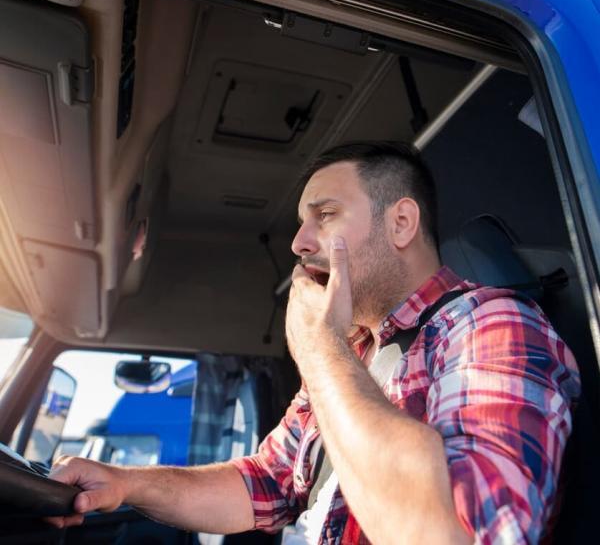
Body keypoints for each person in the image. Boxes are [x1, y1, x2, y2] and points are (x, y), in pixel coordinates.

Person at [48, 141, 580, 544]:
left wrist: (320, 349)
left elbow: (467, 533)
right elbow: (267, 481)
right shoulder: (355, 354)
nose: (300, 242)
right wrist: (123, 482)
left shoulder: (491, 324)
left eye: (324, 216)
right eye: (303, 222)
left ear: (400, 223)